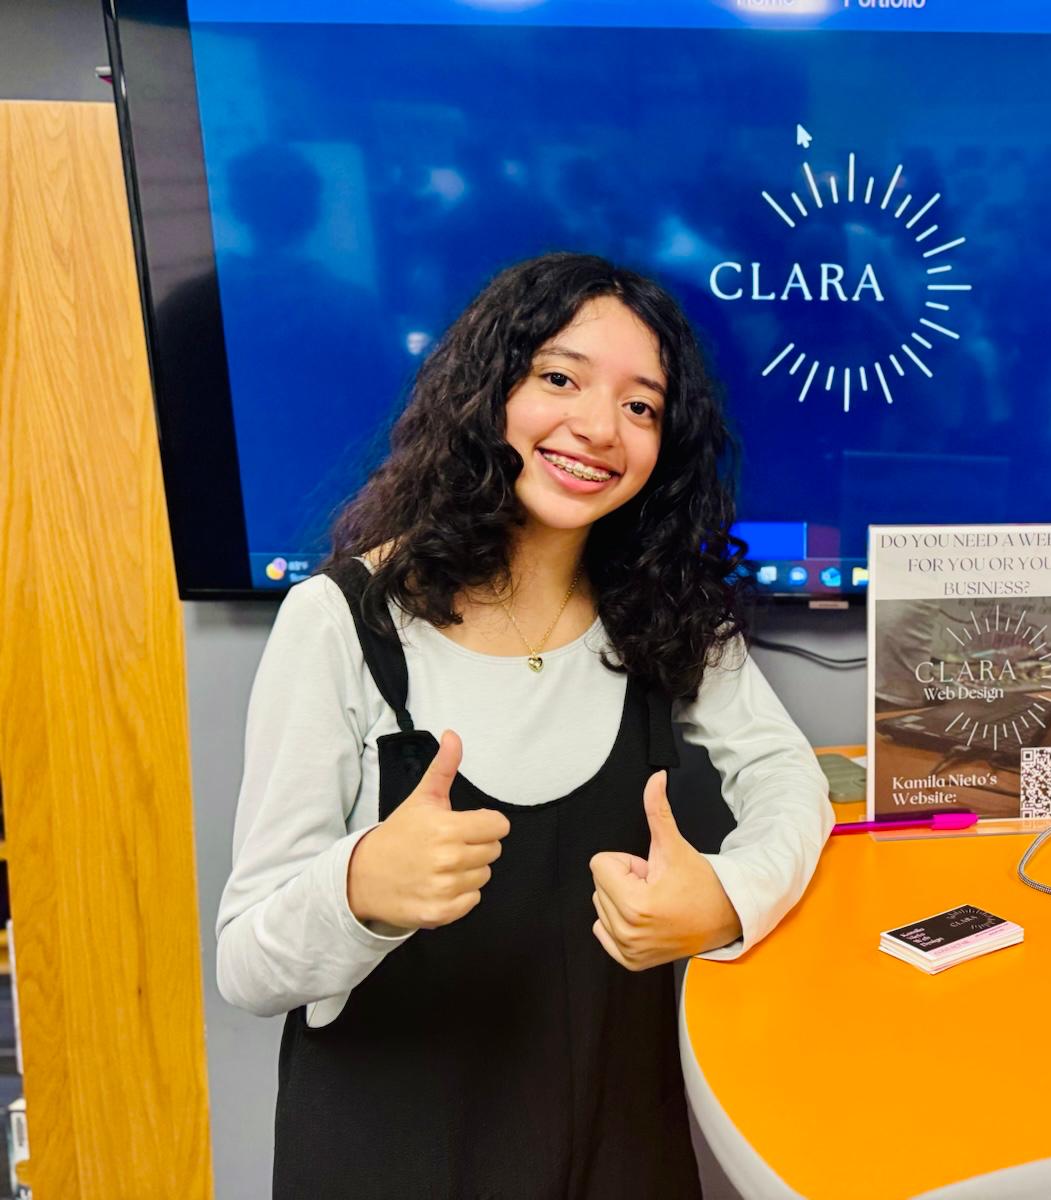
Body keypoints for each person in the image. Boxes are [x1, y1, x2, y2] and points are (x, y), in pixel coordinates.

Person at [215, 253, 833, 1197]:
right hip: (394, 1152)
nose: (598, 427)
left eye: (642, 406)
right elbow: (247, 966)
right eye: (559, 377)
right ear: (487, 389)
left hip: (617, 1139)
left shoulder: (665, 611)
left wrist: (730, 898)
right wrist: (360, 886)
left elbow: (791, 780)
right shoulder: (343, 619)